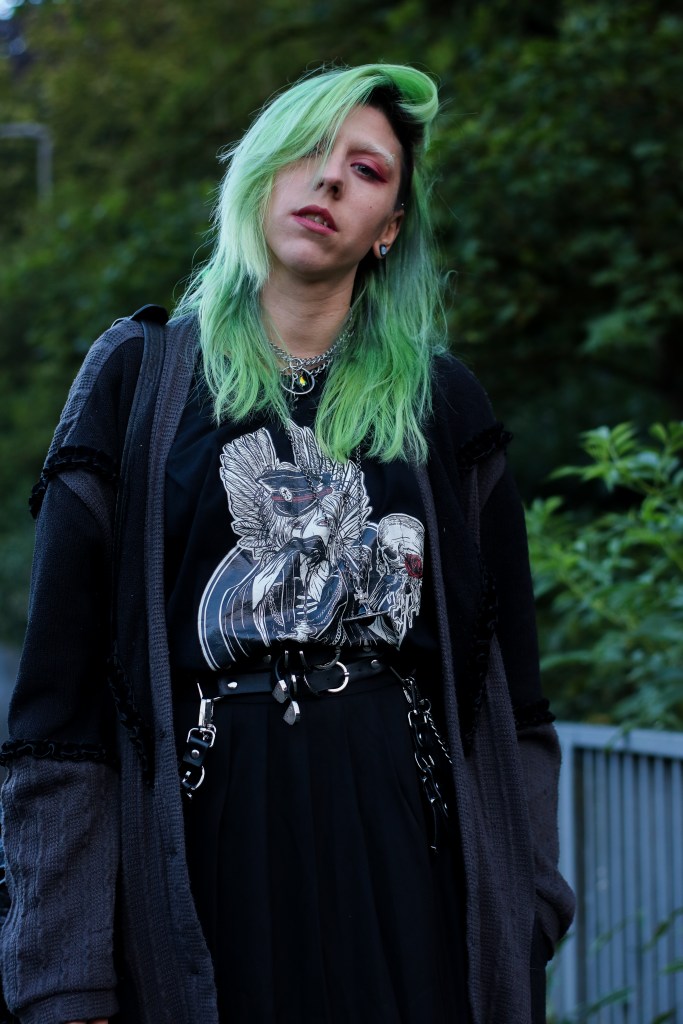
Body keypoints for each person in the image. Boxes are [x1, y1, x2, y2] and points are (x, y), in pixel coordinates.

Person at [0, 63, 574, 1024]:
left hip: (405, 839)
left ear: (387, 228)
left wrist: (528, 908)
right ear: (258, 174)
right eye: (308, 153)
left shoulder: (442, 404)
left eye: (367, 170)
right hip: (205, 842)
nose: (331, 179)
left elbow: (511, 697)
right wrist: (65, 973)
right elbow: (59, 703)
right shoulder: (138, 382)